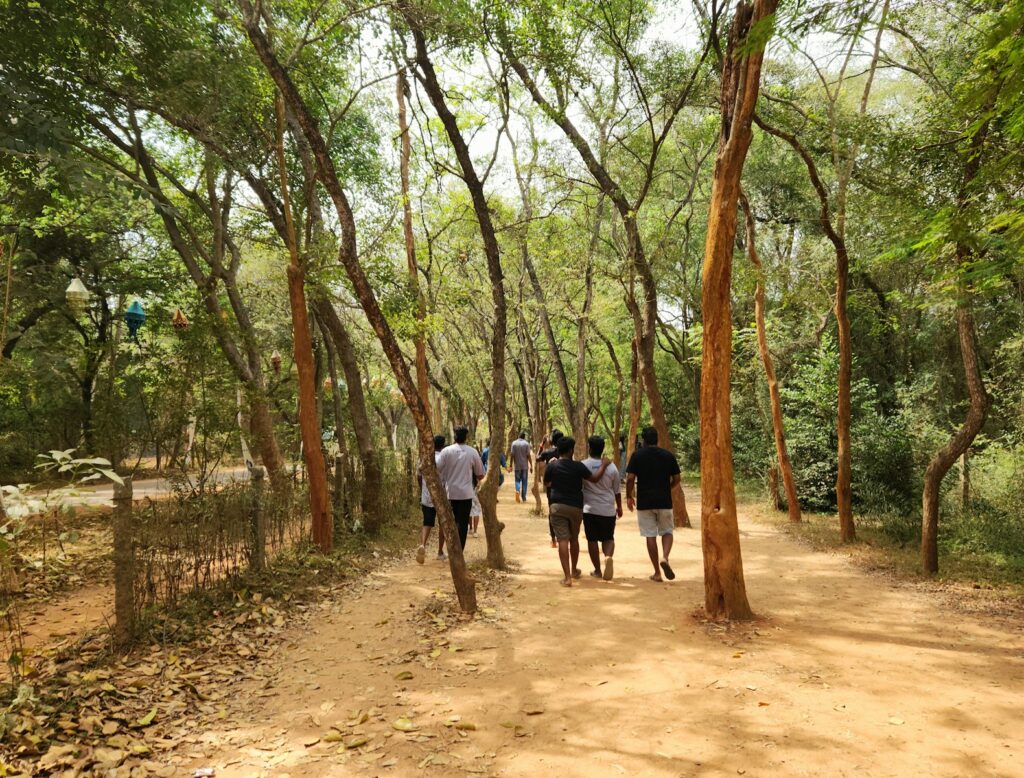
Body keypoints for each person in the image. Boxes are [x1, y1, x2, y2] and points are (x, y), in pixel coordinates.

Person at [544, 435, 611, 587]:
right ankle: (574, 570)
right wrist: (604, 465)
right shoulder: (578, 466)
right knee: (573, 540)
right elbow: (594, 479)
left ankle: (567, 577)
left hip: (557, 506)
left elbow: (546, 483)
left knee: (562, 540)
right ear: (571, 450)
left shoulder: (552, 466)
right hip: (575, 507)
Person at [625, 426, 681, 582]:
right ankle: (665, 557)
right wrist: (667, 488)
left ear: (643, 440)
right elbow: (677, 479)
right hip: (664, 500)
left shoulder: (637, 456)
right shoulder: (668, 456)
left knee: (650, 535)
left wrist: (629, 496)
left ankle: (657, 572)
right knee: (667, 531)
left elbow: (630, 479)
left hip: (645, 501)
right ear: (658, 439)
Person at [436, 425, 484, 550]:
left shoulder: (446, 451)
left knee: (451, 523)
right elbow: (481, 474)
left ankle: (451, 549)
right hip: (466, 494)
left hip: (450, 494)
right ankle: (459, 551)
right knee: (462, 525)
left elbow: (437, 468)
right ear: (466, 437)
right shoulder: (472, 452)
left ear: (455, 435)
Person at [582, 435, 622, 581]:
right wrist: (620, 507)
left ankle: (598, 570)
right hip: (608, 509)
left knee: (592, 539)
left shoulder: (583, 465)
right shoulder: (612, 467)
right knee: (608, 538)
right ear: (602, 449)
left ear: (590, 448)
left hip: (589, 509)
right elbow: (617, 490)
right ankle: (608, 556)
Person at [417, 435, 447, 564]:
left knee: (427, 522)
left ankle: (423, 544)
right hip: (441, 496)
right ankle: (440, 551)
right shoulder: (445, 458)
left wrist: (422, 488)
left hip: (426, 495)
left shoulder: (425, 458)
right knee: (442, 524)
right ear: (443, 445)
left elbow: (418, 475)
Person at [538, 430, 564, 548]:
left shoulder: (547, 452)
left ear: (551, 440)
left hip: (551, 487)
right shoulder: (566, 452)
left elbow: (538, 458)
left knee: (552, 512)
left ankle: (553, 540)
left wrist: (542, 445)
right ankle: (562, 537)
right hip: (564, 486)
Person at [509, 431, 532, 504]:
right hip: (525, 466)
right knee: (524, 482)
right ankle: (524, 497)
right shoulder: (526, 444)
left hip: (517, 466)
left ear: (518, 436)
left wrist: (510, 465)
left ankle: (517, 490)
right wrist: (531, 465)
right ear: (524, 437)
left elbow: (512, 455)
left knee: (517, 480)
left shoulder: (514, 443)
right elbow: (528, 455)